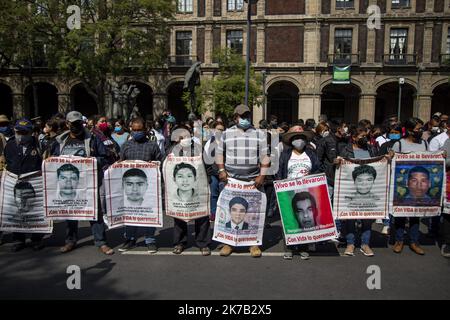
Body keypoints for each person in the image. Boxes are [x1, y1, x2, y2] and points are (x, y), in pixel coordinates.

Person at [51, 111, 114, 255]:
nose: (76, 126)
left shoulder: (92, 139)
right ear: (67, 124)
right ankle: (70, 241)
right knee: (71, 212)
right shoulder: (61, 140)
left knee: (95, 212)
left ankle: (101, 242)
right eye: (73, 124)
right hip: (69, 184)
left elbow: (105, 157)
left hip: (88, 183)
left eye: (79, 123)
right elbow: (53, 160)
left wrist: (91, 161)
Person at [216, 104, 271, 258]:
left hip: (253, 180)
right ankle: (229, 243)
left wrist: (262, 175)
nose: (245, 118)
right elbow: (220, 154)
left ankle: (253, 243)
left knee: (253, 212)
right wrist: (221, 170)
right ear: (235, 118)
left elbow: (265, 156)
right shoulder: (226, 134)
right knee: (229, 212)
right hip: (231, 180)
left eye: (247, 116)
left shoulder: (259, 134)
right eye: (242, 116)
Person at [119, 117, 163, 253]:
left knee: (149, 213)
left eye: (139, 130)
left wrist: (153, 164)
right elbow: (121, 164)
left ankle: (150, 240)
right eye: (134, 130)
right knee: (131, 212)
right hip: (130, 187)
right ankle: (130, 239)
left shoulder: (152, 145)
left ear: (145, 130)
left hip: (148, 187)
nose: (136, 132)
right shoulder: (125, 146)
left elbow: (160, 162)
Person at [166, 124, 211, 256]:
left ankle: (203, 243)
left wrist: (207, 180)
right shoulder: (171, 150)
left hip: (198, 188)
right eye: (181, 136)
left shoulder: (198, 149)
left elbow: (208, 166)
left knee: (202, 216)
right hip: (178, 190)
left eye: (187, 135)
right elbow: (165, 167)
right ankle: (179, 242)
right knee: (179, 216)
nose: (185, 138)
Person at [277, 129, 319, 260]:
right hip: (289, 192)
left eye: (302, 138)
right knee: (288, 220)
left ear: (306, 140)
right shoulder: (285, 154)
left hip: (307, 192)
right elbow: (279, 172)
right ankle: (289, 248)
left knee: (305, 221)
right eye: (296, 138)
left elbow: (318, 168)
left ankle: (303, 247)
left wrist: (311, 175)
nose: (299, 140)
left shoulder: (311, 154)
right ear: (291, 140)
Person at [336, 125, 378, 257]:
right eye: (362, 137)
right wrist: (337, 162)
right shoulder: (346, 150)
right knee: (350, 219)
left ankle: (365, 244)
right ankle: (350, 243)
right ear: (353, 138)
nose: (365, 139)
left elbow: (378, 164)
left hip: (368, 190)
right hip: (350, 189)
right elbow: (339, 168)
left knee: (367, 218)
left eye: (366, 136)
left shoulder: (371, 149)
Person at [4, 119, 45, 251]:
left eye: (24, 132)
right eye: (18, 132)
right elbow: (7, 161)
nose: (20, 134)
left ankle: (36, 239)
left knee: (35, 210)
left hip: (34, 184)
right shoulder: (9, 145)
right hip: (14, 183)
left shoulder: (39, 144)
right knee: (17, 211)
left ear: (31, 132)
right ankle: (18, 240)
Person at [391, 117, 428, 255]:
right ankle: (399, 240)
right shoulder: (399, 144)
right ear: (410, 130)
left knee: (415, 215)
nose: (421, 131)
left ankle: (414, 241)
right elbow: (392, 162)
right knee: (400, 214)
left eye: (421, 128)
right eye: (418, 129)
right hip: (402, 184)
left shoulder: (424, 143)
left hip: (418, 186)